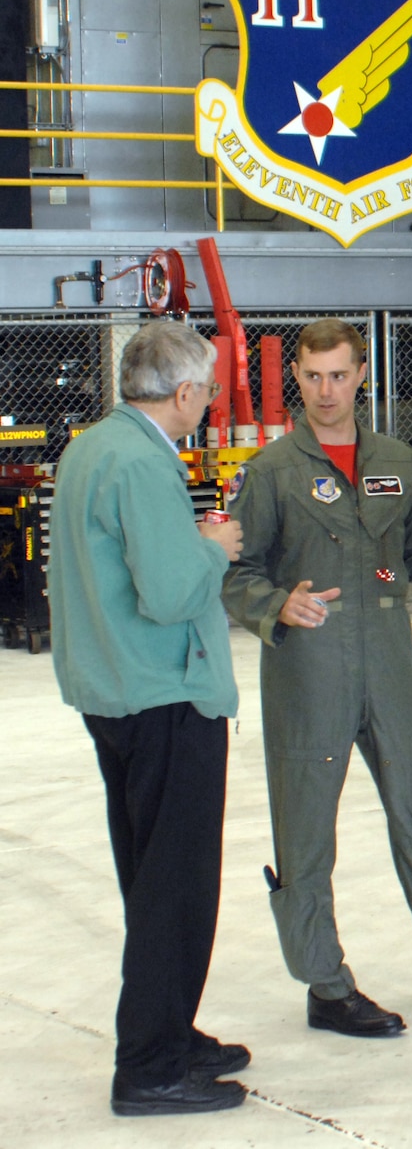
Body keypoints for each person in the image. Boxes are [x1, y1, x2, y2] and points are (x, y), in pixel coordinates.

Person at [222, 318, 412, 1037]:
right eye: (312, 377)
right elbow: (236, 571)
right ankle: (325, 987)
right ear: (295, 379)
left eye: (339, 375)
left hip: (390, 663)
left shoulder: (397, 460)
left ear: (362, 374)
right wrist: (277, 605)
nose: (326, 391)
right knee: (305, 833)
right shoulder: (272, 472)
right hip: (309, 672)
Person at [48, 321, 251, 1116]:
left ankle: (171, 1029)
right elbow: (169, 593)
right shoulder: (143, 462)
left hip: (112, 689)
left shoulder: (92, 448)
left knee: (149, 875)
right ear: (186, 392)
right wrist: (215, 545)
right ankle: (150, 1065)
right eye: (206, 389)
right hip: (164, 693)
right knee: (177, 885)